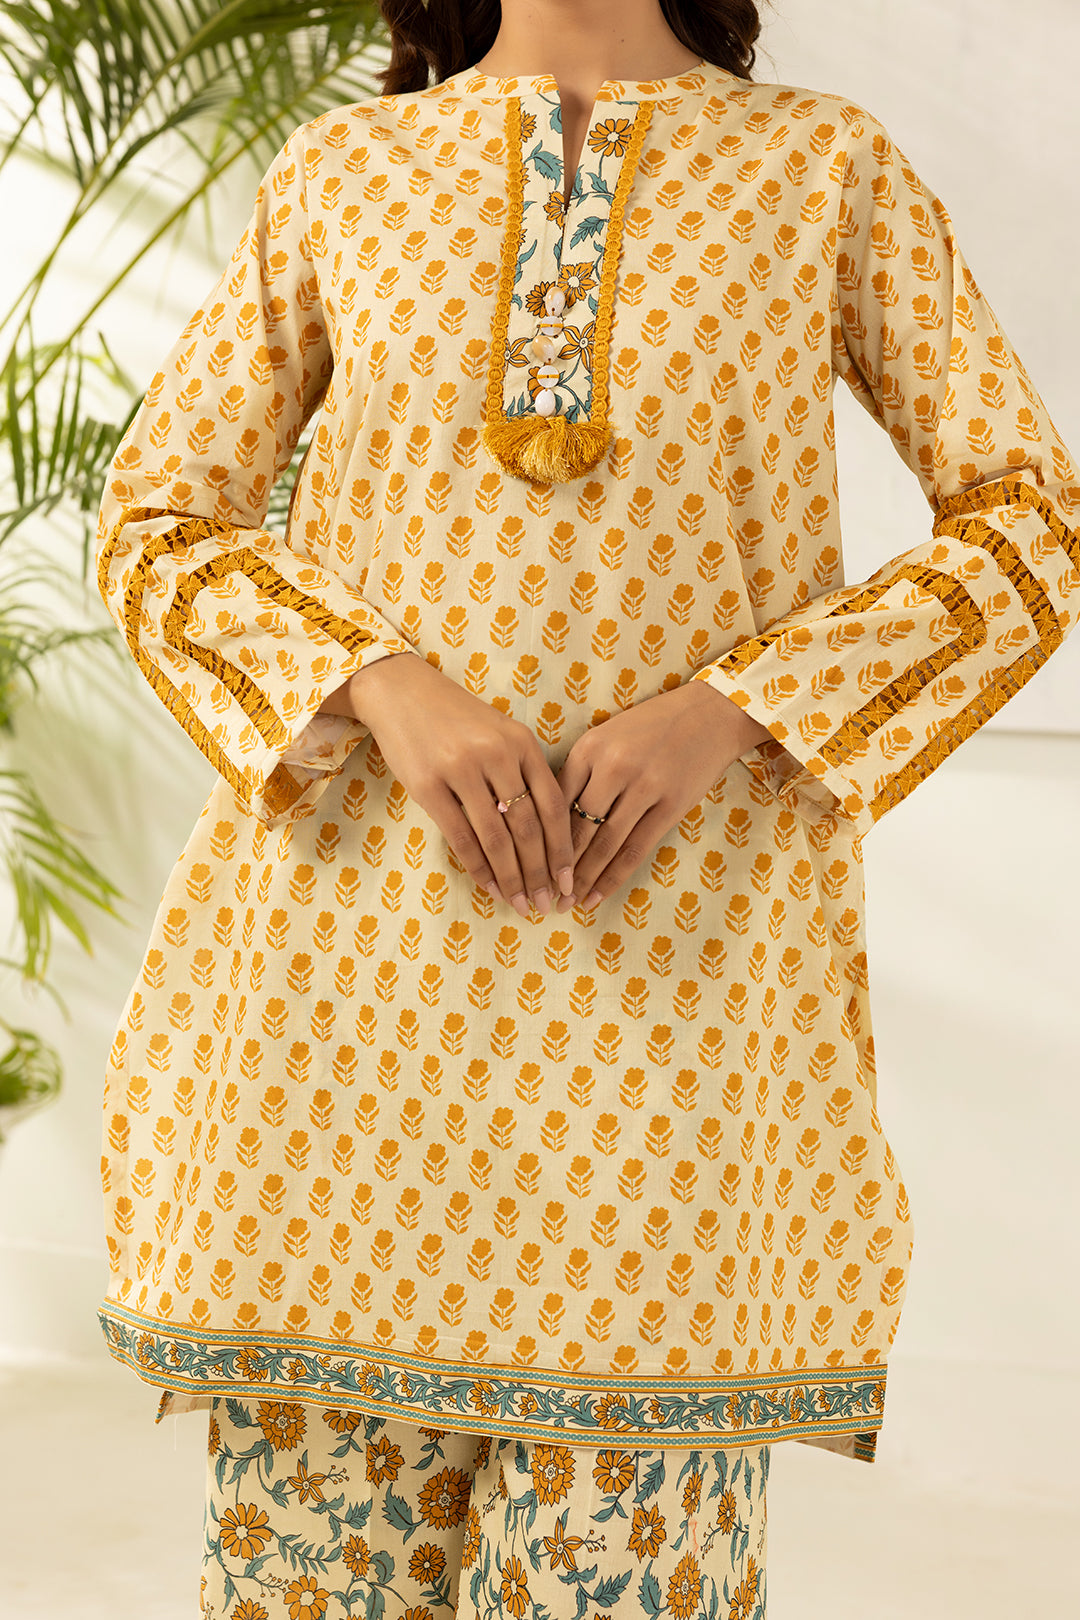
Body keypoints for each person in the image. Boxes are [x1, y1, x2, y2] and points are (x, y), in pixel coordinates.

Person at [94, 0, 1079, 1615]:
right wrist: (380, 683)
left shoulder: (821, 170)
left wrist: (734, 709)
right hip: (352, 1018)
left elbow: (1028, 522)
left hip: (677, 1006)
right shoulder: (344, 172)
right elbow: (155, 519)